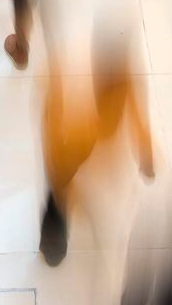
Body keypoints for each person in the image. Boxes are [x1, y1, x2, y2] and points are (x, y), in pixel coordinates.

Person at [38, 18, 155, 265]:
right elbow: (51, 114)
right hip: (69, 153)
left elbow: (136, 112)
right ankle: (54, 230)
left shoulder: (125, 79)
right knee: (61, 194)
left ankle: (58, 224)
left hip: (92, 152)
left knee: (80, 199)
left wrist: (146, 151)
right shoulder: (76, 74)